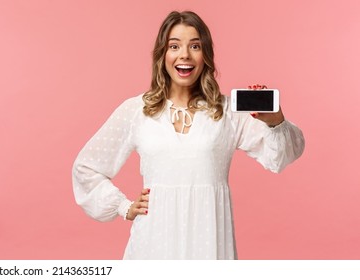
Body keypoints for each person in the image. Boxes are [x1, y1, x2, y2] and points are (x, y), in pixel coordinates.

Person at [71, 11, 305, 259]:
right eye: (174, 46)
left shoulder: (226, 112)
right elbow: (86, 167)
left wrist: (275, 122)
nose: (184, 54)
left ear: (206, 56)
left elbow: (280, 157)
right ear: (163, 55)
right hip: (153, 242)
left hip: (209, 240)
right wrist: (122, 206)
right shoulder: (136, 110)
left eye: (195, 45)